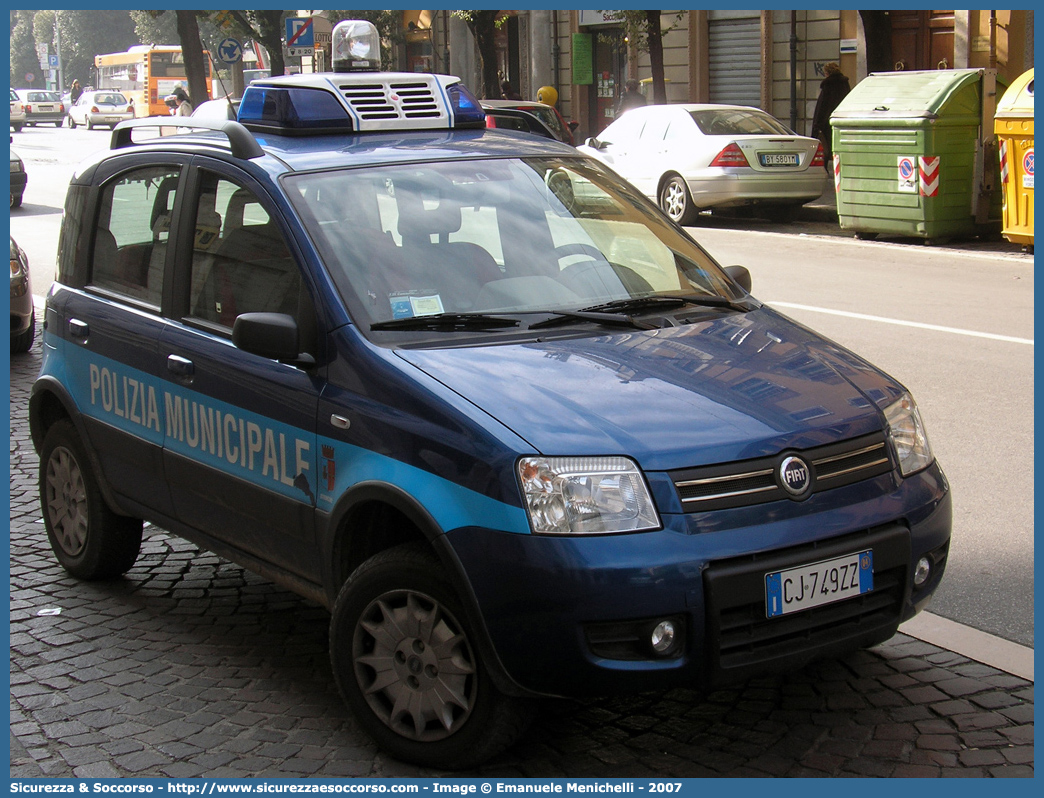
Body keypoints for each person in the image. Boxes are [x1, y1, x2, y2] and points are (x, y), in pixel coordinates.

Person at [810, 62, 851, 172]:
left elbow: (822, 107)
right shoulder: (845, 85)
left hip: (827, 124)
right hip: (842, 121)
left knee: (825, 149)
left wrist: (817, 126)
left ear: (827, 73)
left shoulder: (827, 86)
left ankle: (824, 171)